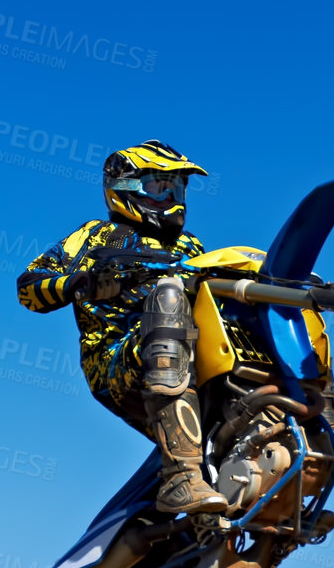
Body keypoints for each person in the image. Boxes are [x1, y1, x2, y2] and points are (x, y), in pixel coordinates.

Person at [17, 140, 226, 515]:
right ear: (124, 189)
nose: (170, 199)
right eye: (157, 187)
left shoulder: (191, 245)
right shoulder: (96, 235)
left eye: (175, 188)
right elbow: (29, 286)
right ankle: (180, 476)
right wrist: (78, 282)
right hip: (116, 360)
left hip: (195, 356)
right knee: (169, 297)